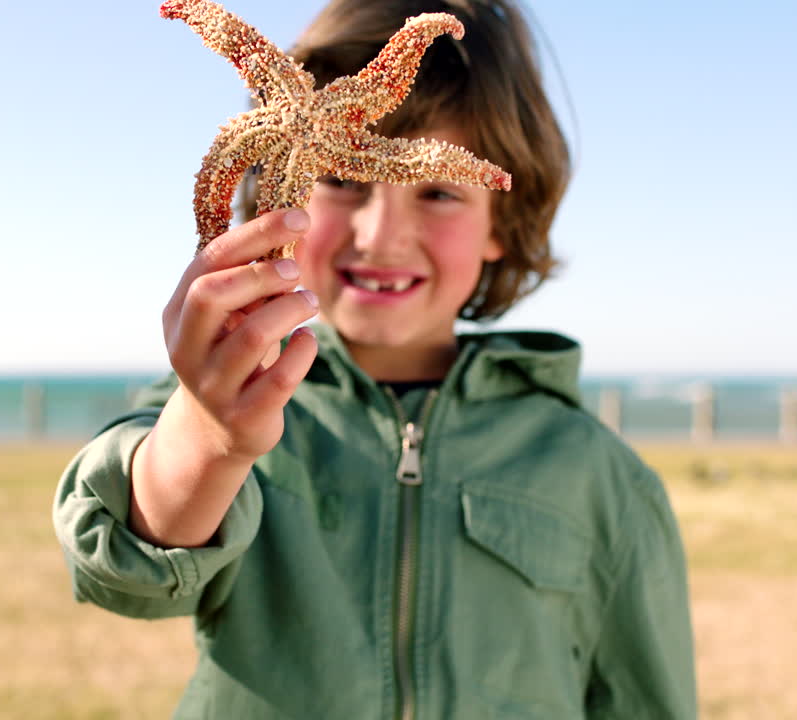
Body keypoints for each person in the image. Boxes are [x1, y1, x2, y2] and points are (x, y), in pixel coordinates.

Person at [53, 0, 697, 717]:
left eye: (437, 189)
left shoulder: (598, 474)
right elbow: (120, 573)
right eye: (343, 177)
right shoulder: (236, 399)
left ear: (501, 224)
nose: (381, 234)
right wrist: (210, 433)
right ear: (268, 190)